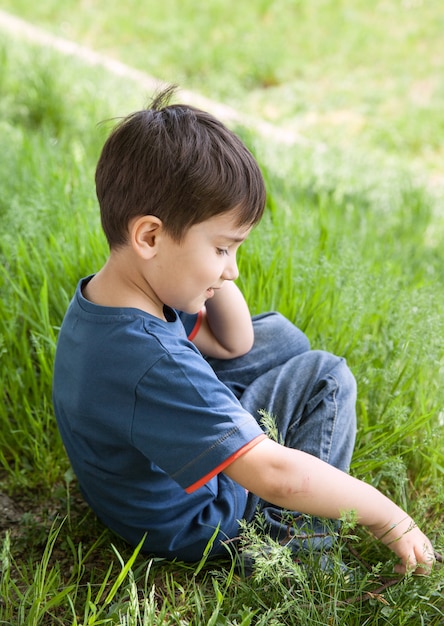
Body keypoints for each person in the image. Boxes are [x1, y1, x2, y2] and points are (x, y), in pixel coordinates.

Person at [52, 86, 435, 575]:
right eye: (221, 249)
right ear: (149, 236)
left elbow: (237, 343)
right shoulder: (150, 360)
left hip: (143, 482)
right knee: (323, 376)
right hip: (195, 519)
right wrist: (388, 516)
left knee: (281, 337)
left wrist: (214, 266)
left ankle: (235, 431)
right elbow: (273, 475)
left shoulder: (117, 294)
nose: (232, 271)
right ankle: (294, 550)